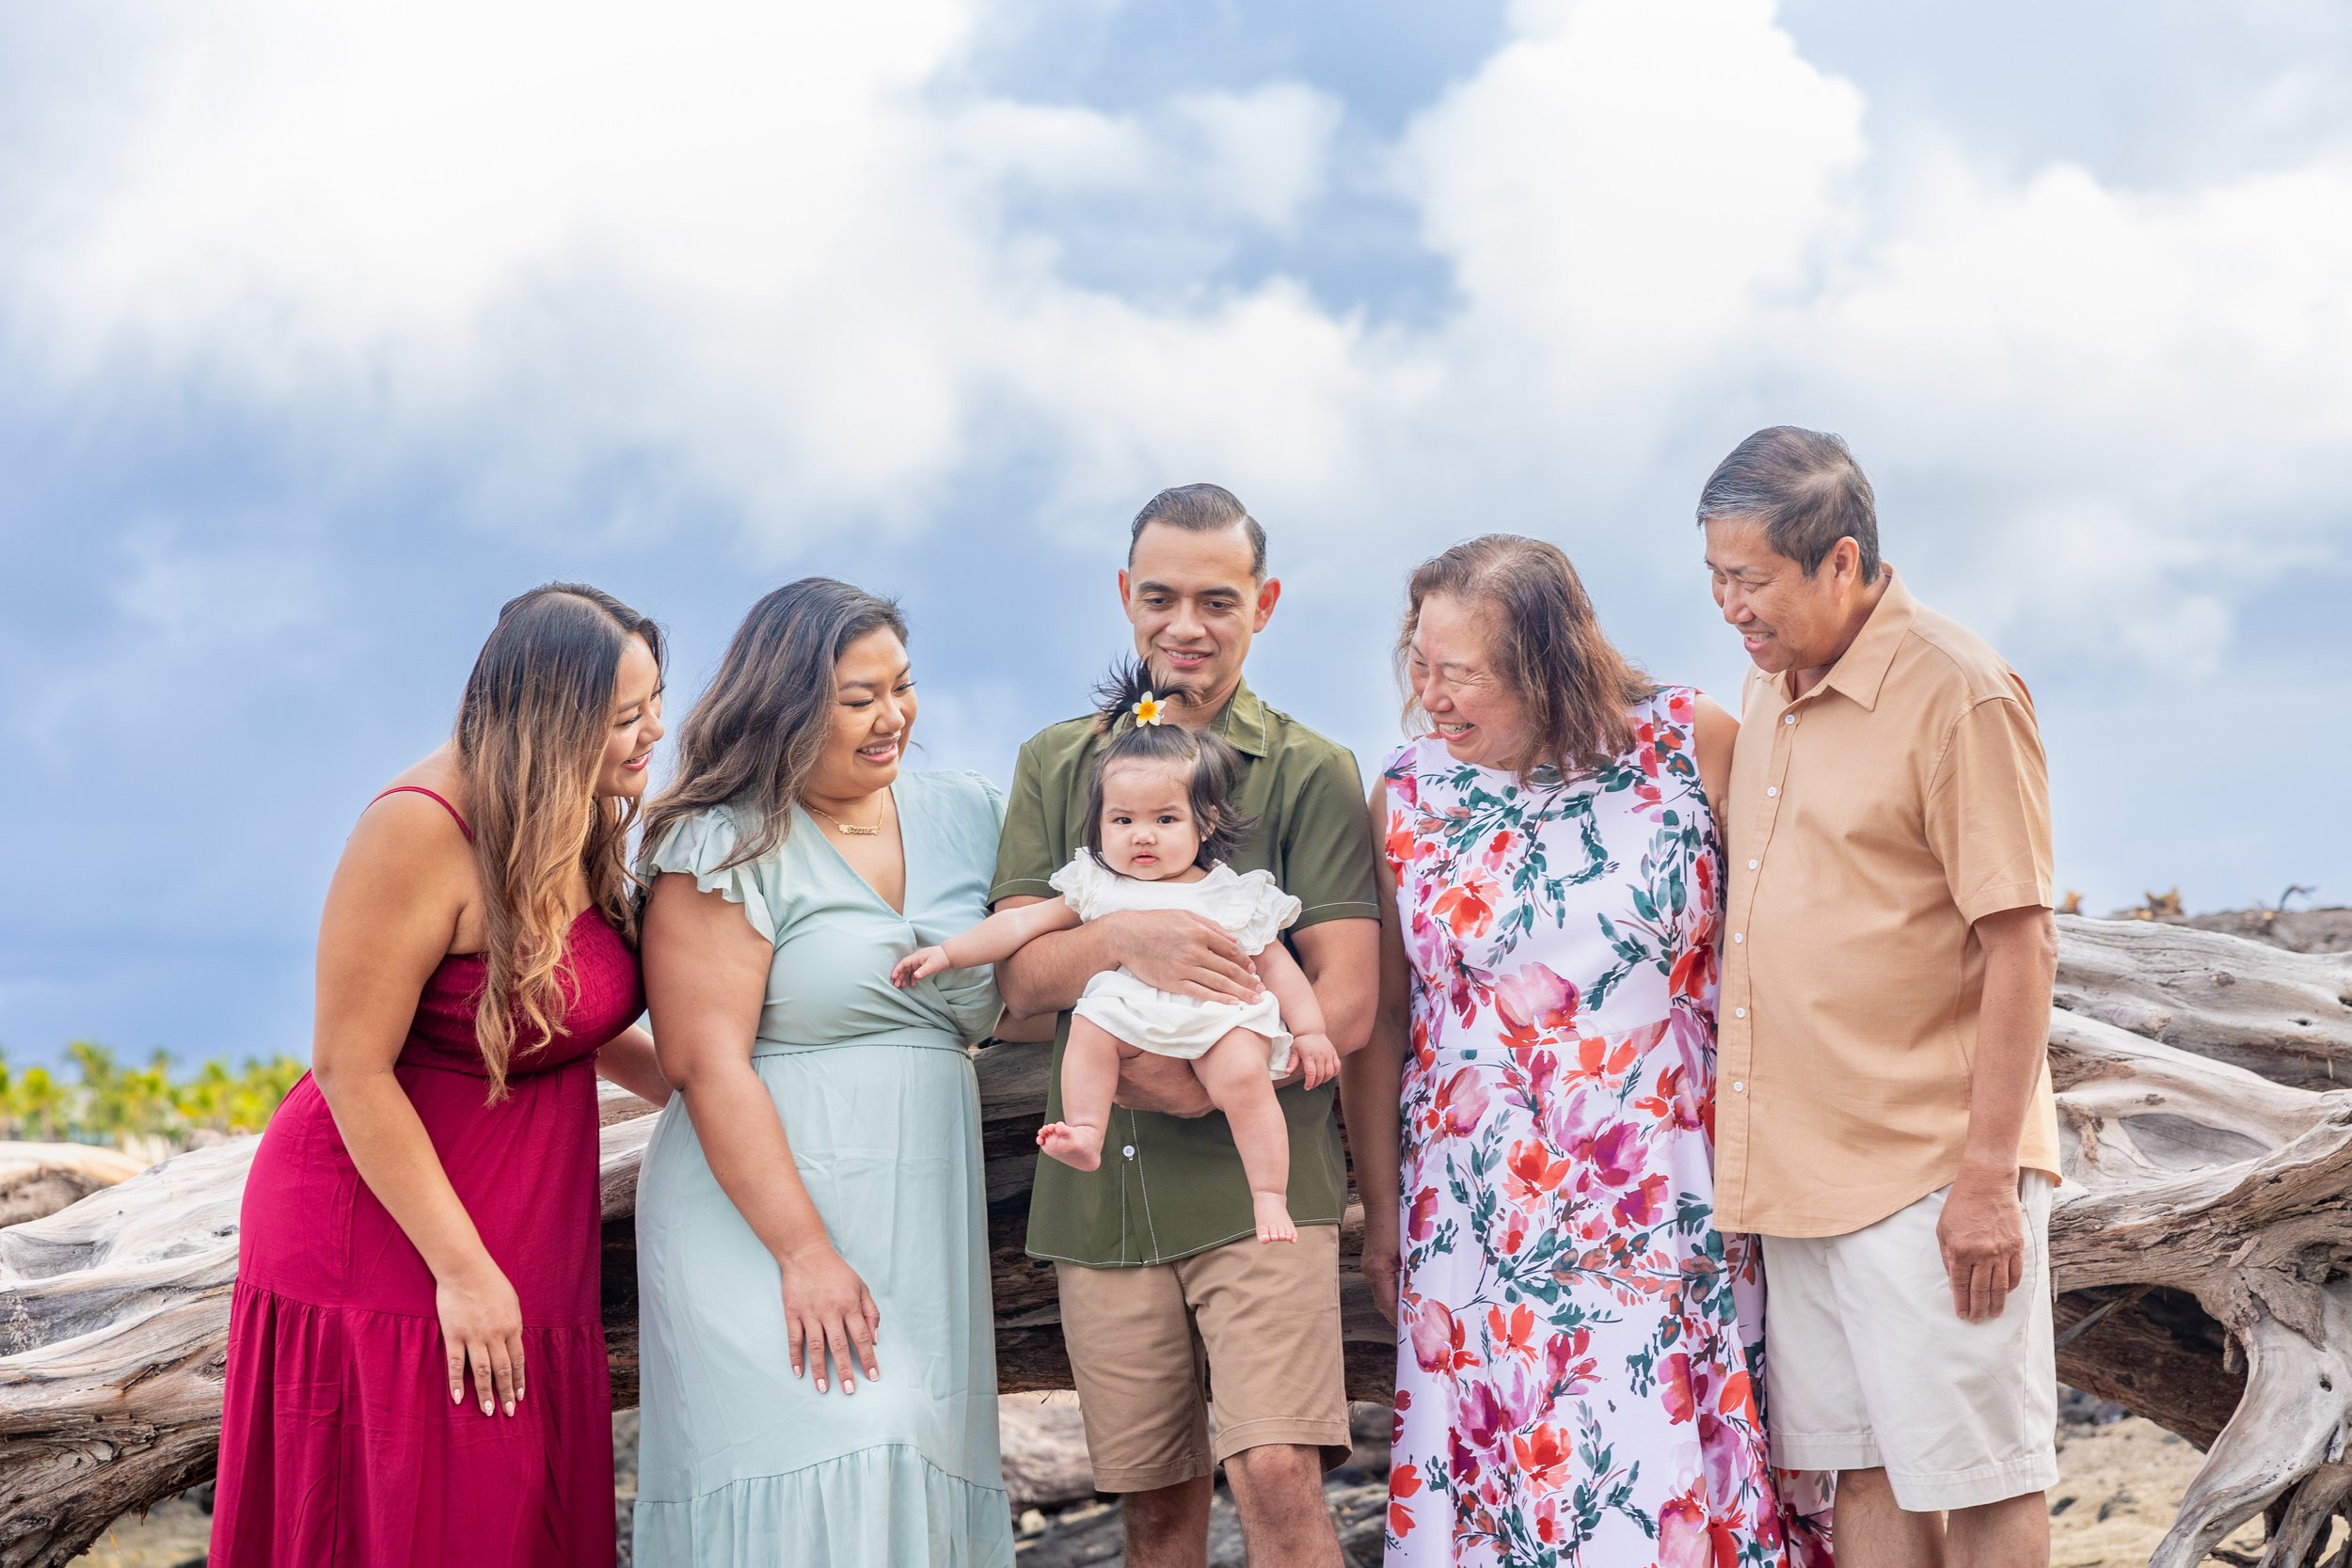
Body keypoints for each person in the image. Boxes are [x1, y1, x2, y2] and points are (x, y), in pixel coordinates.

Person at [1347, 534, 1820, 1567]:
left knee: (1661, 1482)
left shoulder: (1690, 739)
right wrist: (1383, 1214)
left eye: (1458, 671)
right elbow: (1382, 1021)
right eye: (1418, 662)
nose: (1429, 693)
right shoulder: (1407, 794)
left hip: (1669, 1188)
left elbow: (1786, 946)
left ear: (1545, 662)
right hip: (1479, 1216)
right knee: (1515, 1481)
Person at [212, 583, 675, 1568]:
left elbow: (563, 1017)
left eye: (654, 701)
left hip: (526, 1229)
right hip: (386, 1231)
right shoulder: (418, 829)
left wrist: (715, 1089)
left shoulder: (575, 809)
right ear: (552, 721)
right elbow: (349, 1064)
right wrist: (463, 1273)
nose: (654, 732)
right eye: (627, 715)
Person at [993, 484, 1380, 1567]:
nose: (1185, 626)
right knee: (1155, 1508)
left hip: (1264, 1186)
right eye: (1159, 597)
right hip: (1100, 1192)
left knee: (1275, 1473)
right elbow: (1014, 990)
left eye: (1218, 600)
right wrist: (1130, 943)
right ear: (1125, 595)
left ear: (1265, 603)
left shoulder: (1312, 770)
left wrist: (1202, 1080)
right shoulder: (1053, 763)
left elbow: (1342, 1000)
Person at [1699, 426, 2061, 1568]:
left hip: (1928, 1170)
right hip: (1803, 1178)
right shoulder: (1768, 691)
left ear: (1841, 562)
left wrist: (1986, 1178)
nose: (1729, 606)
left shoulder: (1959, 692)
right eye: (1713, 577)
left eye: (1750, 579)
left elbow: (2022, 943)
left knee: (1986, 1471)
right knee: (1864, 1469)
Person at [628, 578, 1014, 1566]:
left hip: (921, 1211)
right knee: (845, 1445)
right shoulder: (722, 839)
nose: (893, 717)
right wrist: (803, 1251)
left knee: (912, 1459)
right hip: (762, 1217)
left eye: (902, 686)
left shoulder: (971, 810)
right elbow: (703, 1062)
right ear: (788, 703)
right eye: (858, 697)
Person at [895, 658, 1339, 1243]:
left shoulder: (1231, 893)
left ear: (1204, 823)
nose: (1142, 834)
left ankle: (1267, 1194)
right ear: (1099, 825)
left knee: (1243, 1080)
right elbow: (1022, 924)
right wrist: (951, 953)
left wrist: (1308, 1031)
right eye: (1122, 819)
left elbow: (1278, 966)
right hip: (1127, 1019)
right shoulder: (1096, 886)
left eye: (1165, 818)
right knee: (1090, 1034)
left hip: (1219, 1021)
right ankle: (1084, 1128)